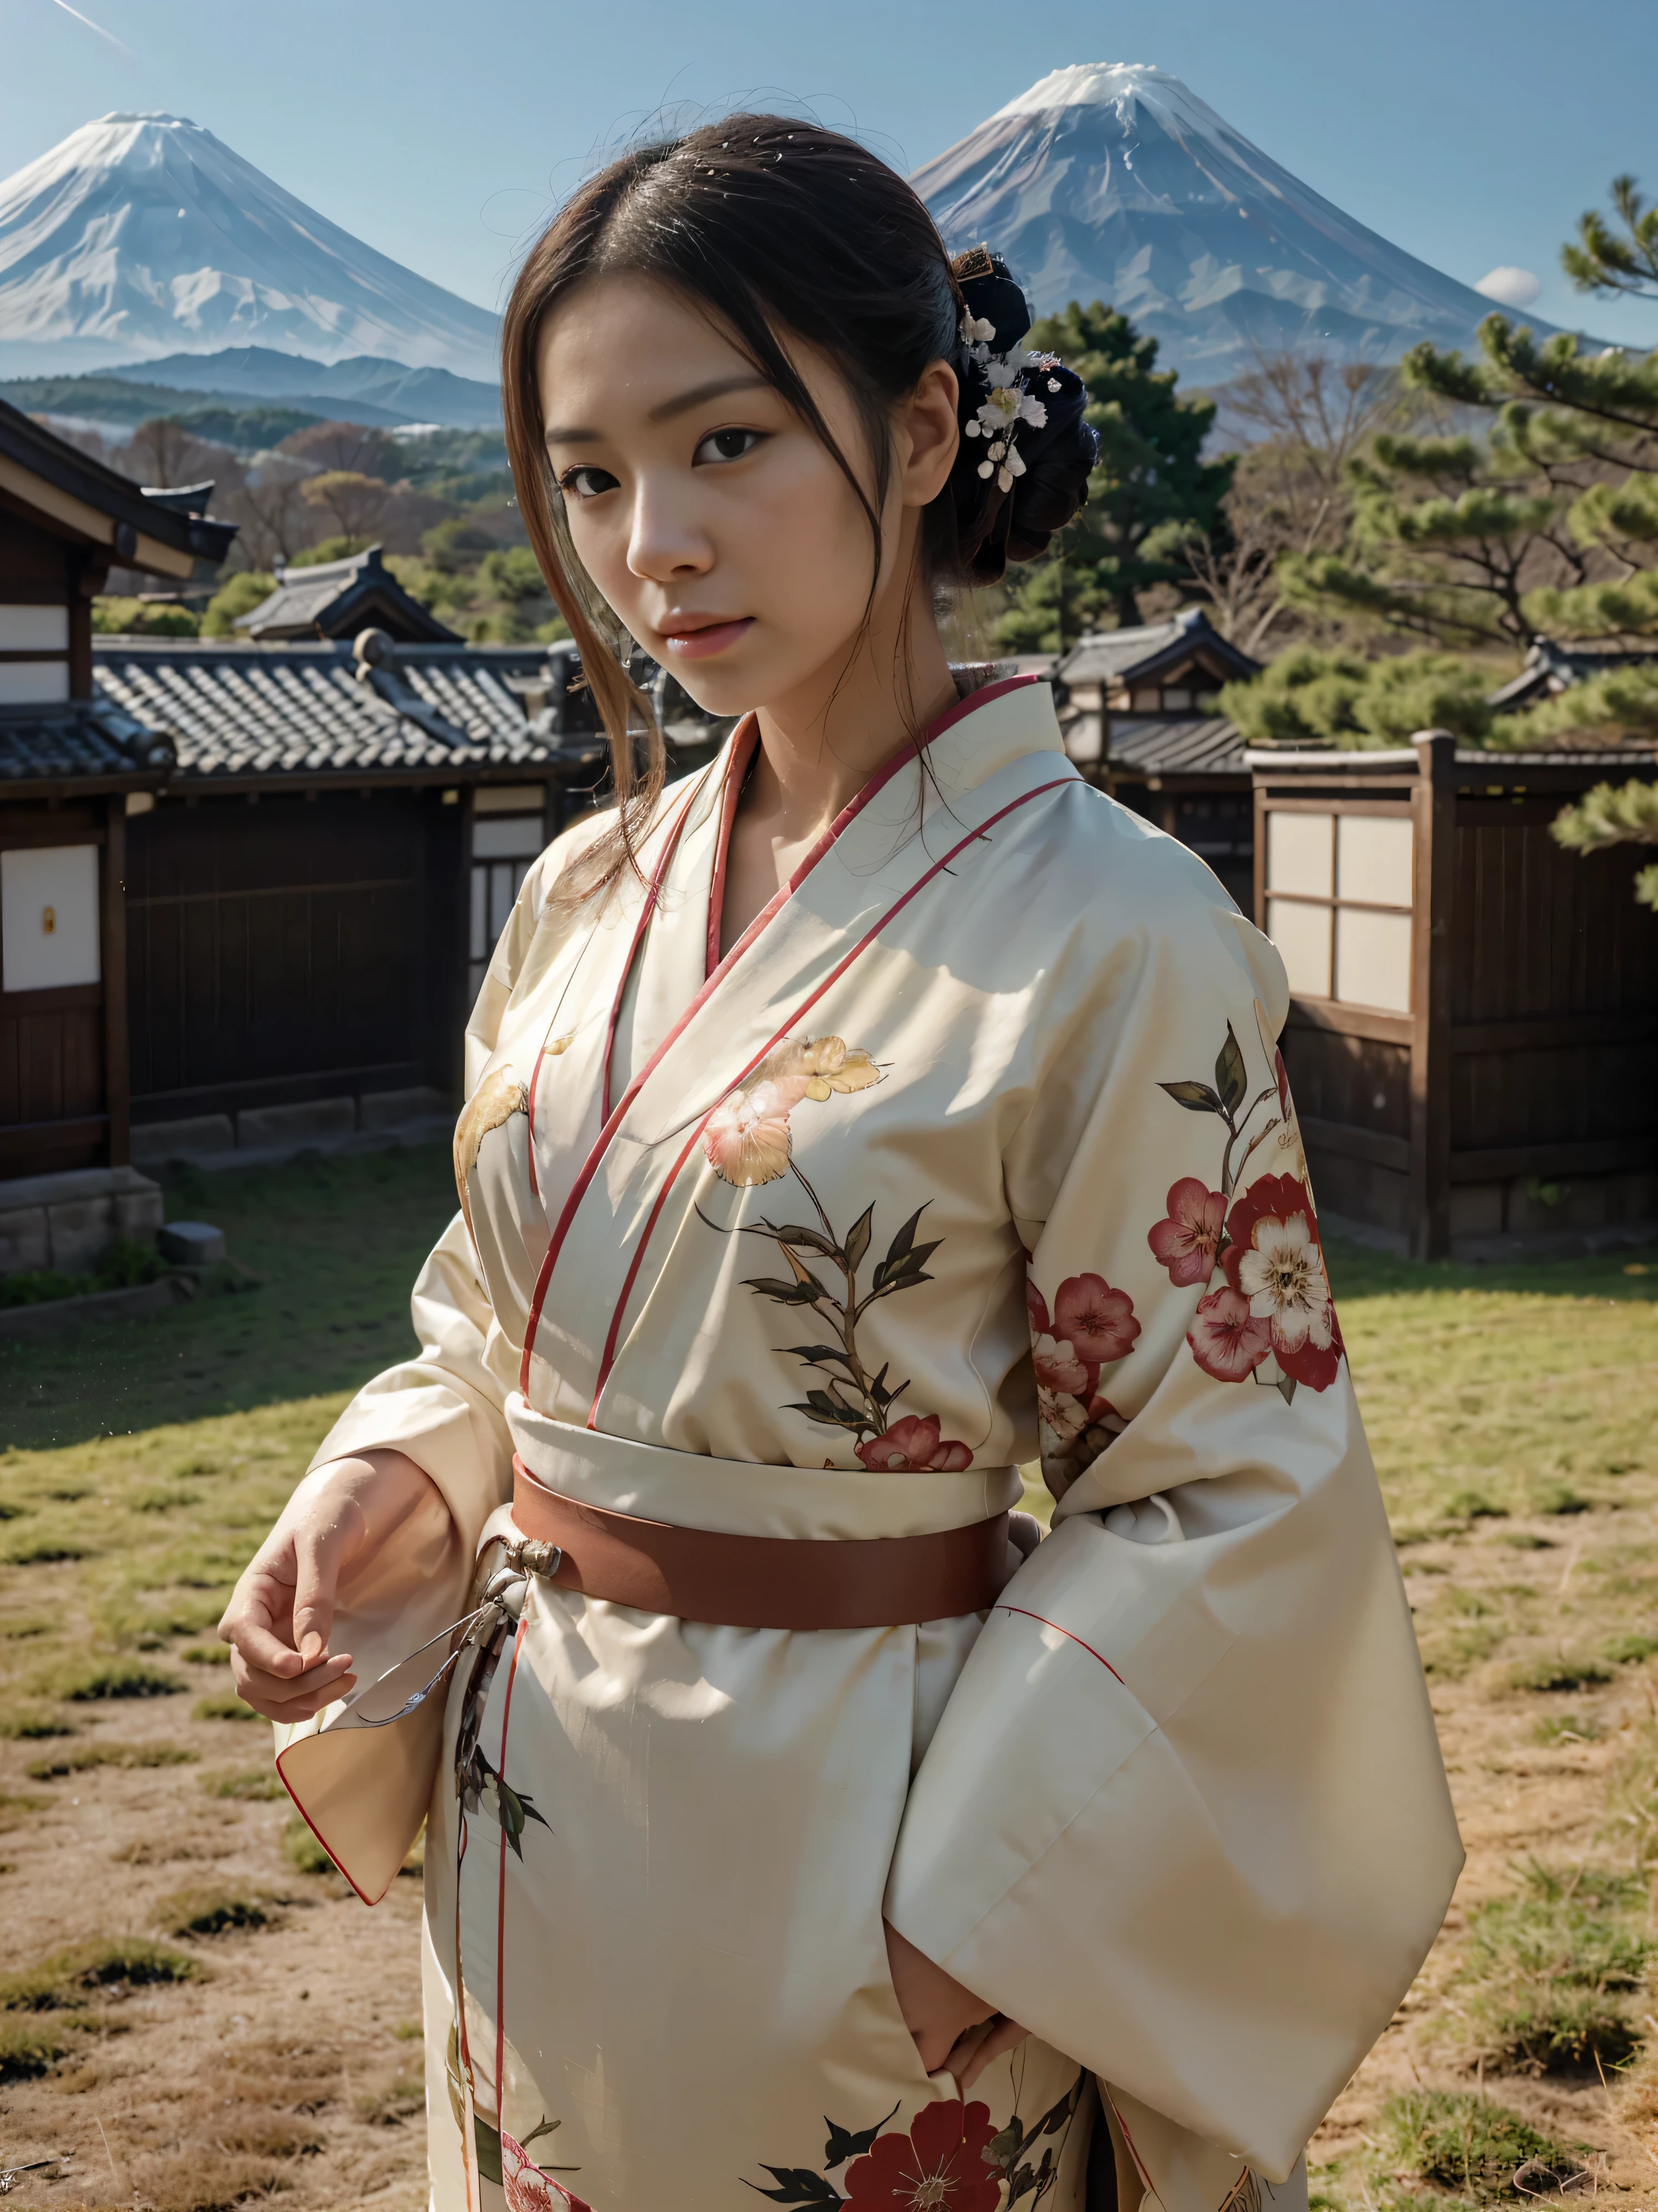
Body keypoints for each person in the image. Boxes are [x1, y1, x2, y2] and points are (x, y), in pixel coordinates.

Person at [220, 116, 1462, 2212]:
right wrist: (400, 1472)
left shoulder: (1114, 931)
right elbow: (505, 1291)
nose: (652, 549)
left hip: (880, 1849)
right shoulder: (593, 886)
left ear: (916, 430)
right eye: (593, 476)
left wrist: (983, 1899)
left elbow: (1231, 1482)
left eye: (723, 447)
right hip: (537, 1802)